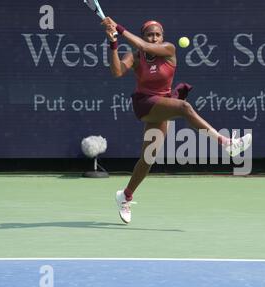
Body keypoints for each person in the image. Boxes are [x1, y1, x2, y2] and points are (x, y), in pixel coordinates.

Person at [101, 17, 252, 224]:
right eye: (149, 35)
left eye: (157, 35)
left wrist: (119, 28)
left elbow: (145, 46)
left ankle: (125, 195)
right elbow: (117, 72)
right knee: (184, 107)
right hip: (145, 104)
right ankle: (226, 143)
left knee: (148, 157)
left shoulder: (169, 49)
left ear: (162, 37)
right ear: (144, 35)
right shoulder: (136, 57)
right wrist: (113, 43)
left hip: (162, 104)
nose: (153, 39)